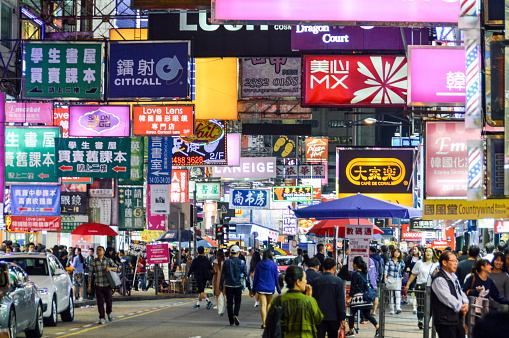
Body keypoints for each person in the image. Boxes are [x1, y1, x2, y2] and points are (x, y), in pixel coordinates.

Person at [265, 266, 323, 337]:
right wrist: (309, 298)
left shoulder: (278, 300)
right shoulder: (310, 301)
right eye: (304, 278)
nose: (306, 281)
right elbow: (318, 319)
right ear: (298, 282)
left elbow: (270, 322)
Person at [430, 251, 469, 338]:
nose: (456, 264)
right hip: (445, 321)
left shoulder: (453, 276)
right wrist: (461, 307)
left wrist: (465, 302)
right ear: (444, 262)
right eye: (453, 261)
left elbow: (460, 291)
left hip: (456, 319)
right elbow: (447, 297)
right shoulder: (439, 279)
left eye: (456, 261)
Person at [405, 248, 439, 329]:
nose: (428, 253)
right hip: (420, 286)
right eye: (426, 251)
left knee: (430, 306)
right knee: (421, 304)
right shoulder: (419, 263)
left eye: (430, 252)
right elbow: (413, 274)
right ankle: (420, 321)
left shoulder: (436, 264)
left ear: (433, 254)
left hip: (432, 287)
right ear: (424, 253)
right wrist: (408, 284)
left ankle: (426, 322)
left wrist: (435, 274)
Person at [312, 258, 346, 338]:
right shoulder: (338, 281)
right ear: (334, 268)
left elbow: (313, 298)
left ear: (323, 268)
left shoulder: (316, 281)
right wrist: (342, 317)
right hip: (334, 317)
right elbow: (340, 300)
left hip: (319, 316)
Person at [346, 256, 379, 337]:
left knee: (351, 314)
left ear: (355, 264)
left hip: (357, 298)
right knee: (368, 315)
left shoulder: (355, 274)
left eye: (353, 263)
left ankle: (351, 332)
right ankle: (378, 327)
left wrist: (350, 298)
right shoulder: (366, 273)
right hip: (366, 297)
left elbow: (353, 287)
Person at [88, 246, 118, 324]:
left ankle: (109, 312)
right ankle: (102, 317)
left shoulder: (108, 260)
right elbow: (90, 274)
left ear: (104, 252)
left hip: (107, 284)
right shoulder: (94, 262)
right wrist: (89, 285)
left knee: (109, 300)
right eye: (97, 250)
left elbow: (116, 268)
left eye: (100, 250)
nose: (98, 251)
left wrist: (110, 268)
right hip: (98, 284)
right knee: (100, 302)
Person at [252, 250, 281, 329]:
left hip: (261, 287)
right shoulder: (273, 265)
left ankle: (264, 323)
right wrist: (279, 290)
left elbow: (255, 278)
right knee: (269, 305)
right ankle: (268, 323)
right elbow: (276, 279)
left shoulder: (259, 265)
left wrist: (253, 289)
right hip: (270, 288)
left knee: (263, 305)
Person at [219, 245, 247, 326]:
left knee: (230, 303)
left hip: (229, 285)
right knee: (238, 301)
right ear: (238, 253)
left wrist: (221, 286)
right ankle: (236, 314)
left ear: (231, 253)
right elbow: (246, 273)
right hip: (238, 285)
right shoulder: (242, 262)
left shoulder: (226, 262)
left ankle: (231, 320)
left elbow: (223, 275)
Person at [384, 248, 405, 315]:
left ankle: (398, 307)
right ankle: (392, 309)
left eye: (398, 252)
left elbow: (402, 268)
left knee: (398, 293)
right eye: (395, 252)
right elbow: (386, 270)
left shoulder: (401, 261)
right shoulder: (389, 261)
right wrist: (385, 277)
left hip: (398, 278)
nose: (397, 253)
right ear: (393, 253)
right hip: (390, 278)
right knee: (391, 294)